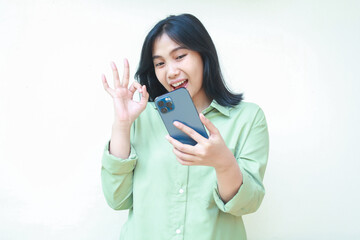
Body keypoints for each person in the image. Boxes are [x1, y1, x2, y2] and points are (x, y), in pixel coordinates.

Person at [101, 13, 269, 240]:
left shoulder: (248, 118)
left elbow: (246, 205)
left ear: (203, 55)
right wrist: (122, 125)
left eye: (179, 56)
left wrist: (223, 163)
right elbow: (117, 199)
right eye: (160, 63)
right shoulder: (141, 117)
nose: (170, 72)